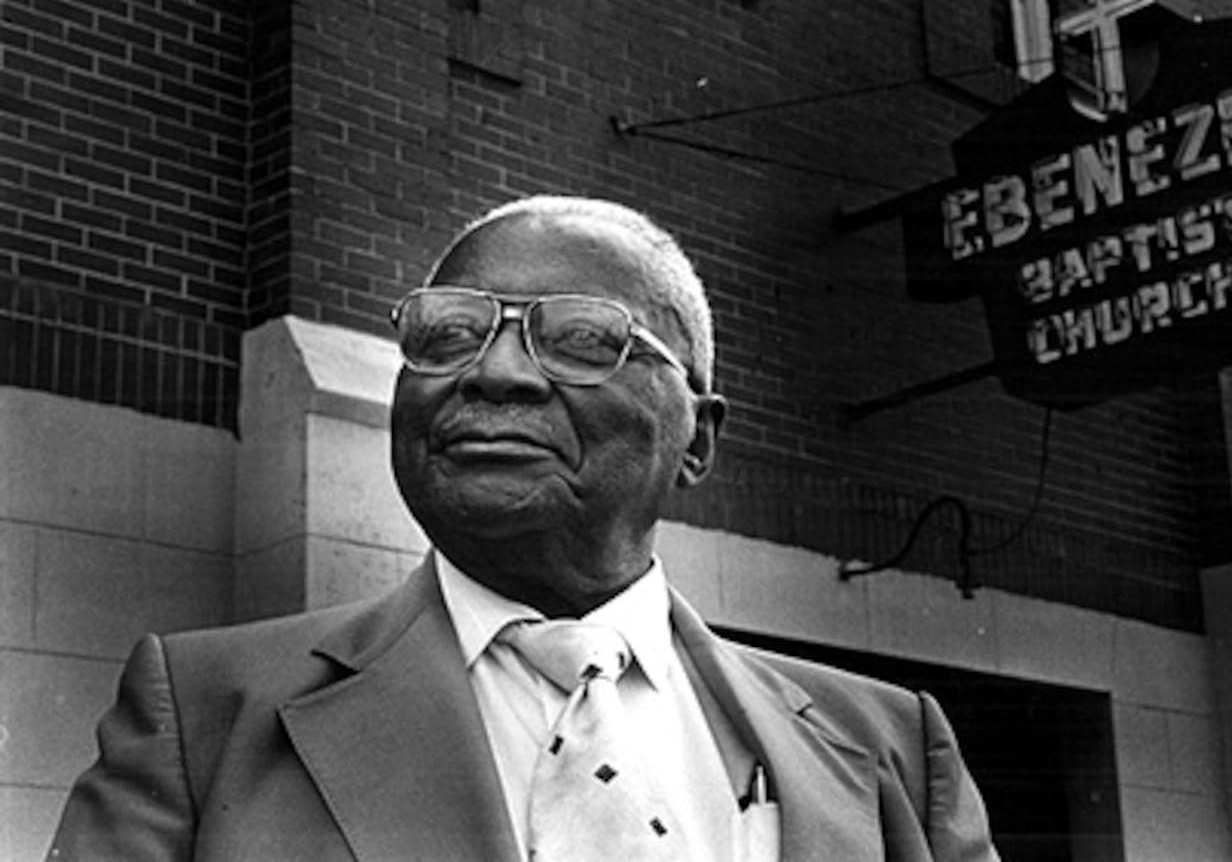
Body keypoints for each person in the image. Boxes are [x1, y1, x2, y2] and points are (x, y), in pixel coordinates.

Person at [49, 194, 1000, 861]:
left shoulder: (887, 746)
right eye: (448, 333)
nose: (494, 373)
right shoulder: (205, 714)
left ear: (697, 440)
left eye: (582, 339)